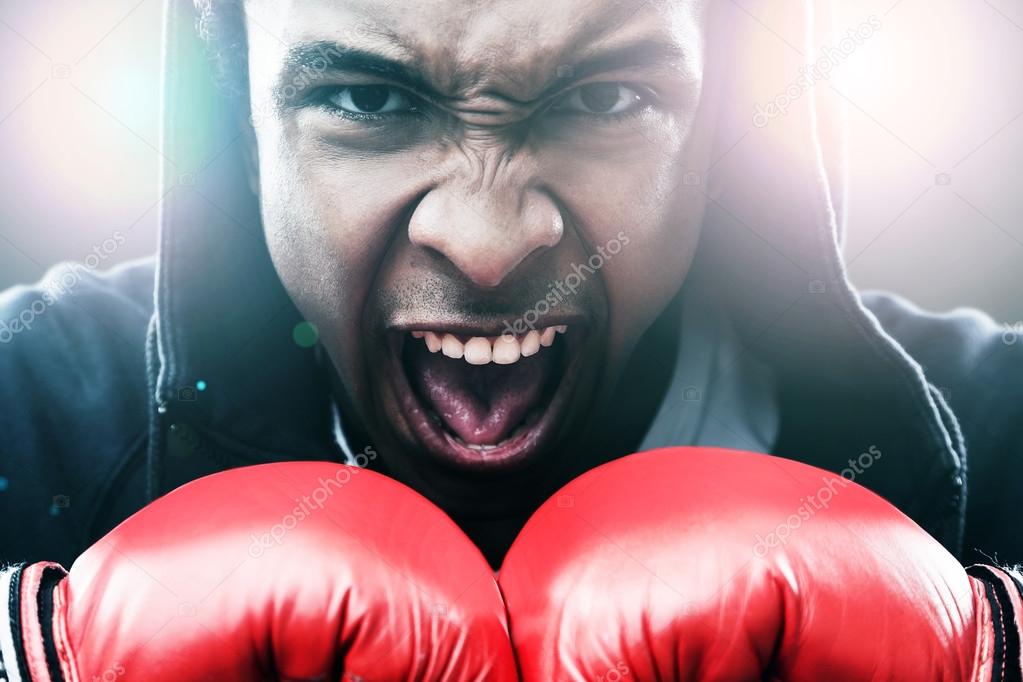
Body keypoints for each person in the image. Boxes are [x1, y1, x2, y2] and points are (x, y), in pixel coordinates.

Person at [1, 0, 1021, 676]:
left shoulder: (1001, 427)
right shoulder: (32, 410)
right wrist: (36, 650)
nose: (488, 248)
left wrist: (988, 644)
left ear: (725, 128)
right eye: (367, 99)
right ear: (244, 127)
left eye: (604, 99)